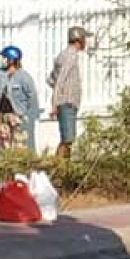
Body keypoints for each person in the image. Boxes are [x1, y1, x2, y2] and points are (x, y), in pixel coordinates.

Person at [0, 45, 39, 152]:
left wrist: (27, 113)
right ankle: (7, 166)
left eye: (4, 58)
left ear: (12, 60)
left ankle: (20, 167)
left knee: (20, 144)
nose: (2, 60)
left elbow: (32, 95)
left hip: (17, 114)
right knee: (4, 144)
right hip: (1, 114)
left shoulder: (23, 76)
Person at [48, 26, 90, 159]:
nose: (86, 42)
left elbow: (51, 79)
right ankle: (59, 168)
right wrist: (55, 103)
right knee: (68, 139)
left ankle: (63, 168)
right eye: (84, 39)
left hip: (65, 102)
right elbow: (60, 80)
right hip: (67, 102)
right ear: (79, 40)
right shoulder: (71, 56)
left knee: (67, 138)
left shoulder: (62, 54)